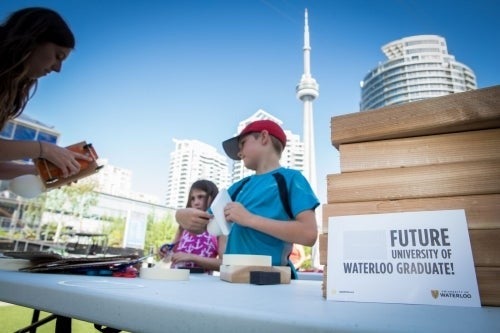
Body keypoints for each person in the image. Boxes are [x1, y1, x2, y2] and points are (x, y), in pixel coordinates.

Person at [176, 120, 319, 277]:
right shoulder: (236, 188)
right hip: (231, 277)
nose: (239, 153)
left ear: (264, 137)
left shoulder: (292, 179)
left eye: (242, 143)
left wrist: (249, 219)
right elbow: (204, 225)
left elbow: (309, 234)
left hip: (272, 280)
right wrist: (181, 216)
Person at [0, 7, 91, 181]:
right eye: (58, 55)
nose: (58, 68)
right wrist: (44, 149)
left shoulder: (8, 89)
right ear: (32, 39)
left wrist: (41, 171)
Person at [160, 179, 225, 273]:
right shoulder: (183, 226)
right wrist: (165, 251)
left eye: (201, 197)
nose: (196, 202)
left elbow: (224, 264)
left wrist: (192, 257)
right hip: (175, 280)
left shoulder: (220, 227)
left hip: (201, 285)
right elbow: (169, 257)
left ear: (213, 198)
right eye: (192, 198)